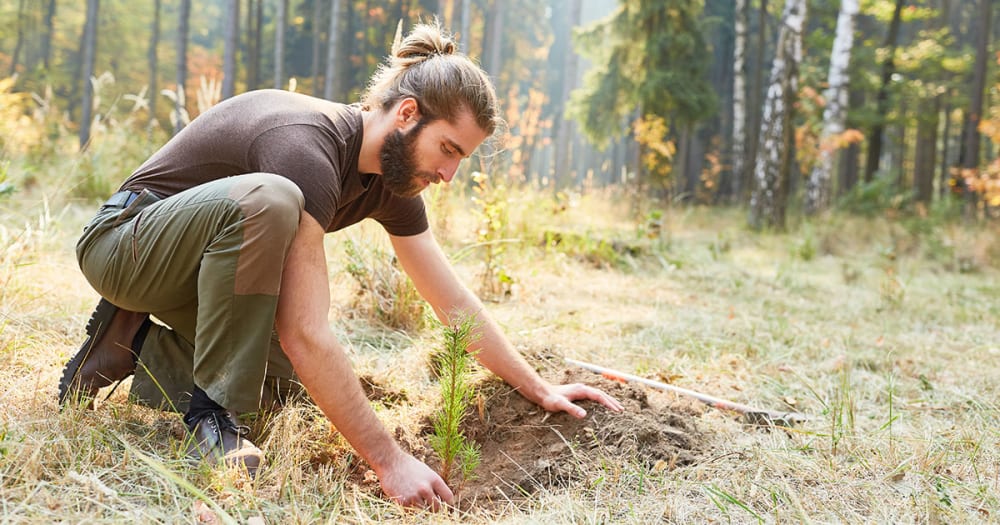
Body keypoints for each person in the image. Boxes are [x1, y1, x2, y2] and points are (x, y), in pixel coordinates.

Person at [59, 23, 622, 510]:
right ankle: (213, 419)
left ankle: (130, 346)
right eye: (448, 150)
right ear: (407, 115)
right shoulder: (306, 147)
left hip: (198, 273)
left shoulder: (392, 184)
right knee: (272, 200)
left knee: (292, 392)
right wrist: (389, 461)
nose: (450, 175)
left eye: (461, 160)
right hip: (125, 247)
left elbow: (450, 299)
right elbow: (306, 330)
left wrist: (538, 386)